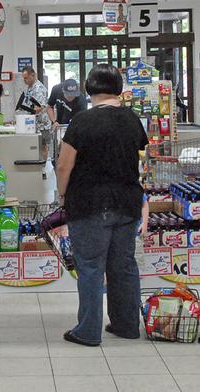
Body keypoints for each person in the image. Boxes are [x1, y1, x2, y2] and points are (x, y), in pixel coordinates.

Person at [56, 64, 148, 345]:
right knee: (124, 265)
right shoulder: (133, 119)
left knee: (91, 267)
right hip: (128, 203)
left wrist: (63, 196)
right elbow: (140, 156)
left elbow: (63, 166)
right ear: (118, 88)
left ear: (88, 88)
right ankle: (127, 324)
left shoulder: (82, 121)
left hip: (91, 203)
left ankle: (87, 330)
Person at [18, 66, 52, 160]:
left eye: (26, 78)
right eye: (23, 78)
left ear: (33, 75)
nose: (25, 80)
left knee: (43, 146)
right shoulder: (30, 87)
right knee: (34, 147)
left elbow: (39, 108)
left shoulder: (39, 88)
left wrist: (25, 111)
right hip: (33, 123)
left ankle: (43, 168)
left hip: (42, 124)